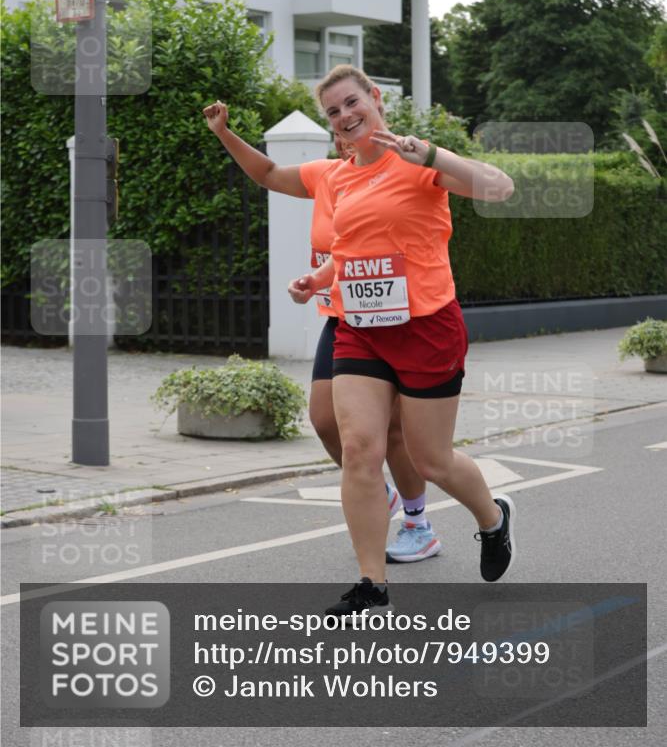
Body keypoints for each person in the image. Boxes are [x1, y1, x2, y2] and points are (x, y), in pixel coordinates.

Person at [287, 65, 517, 619]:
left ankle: (492, 518)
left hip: (427, 328)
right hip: (361, 331)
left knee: (431, 459)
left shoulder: (416, 161)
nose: (344, 117)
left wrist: (431, 155)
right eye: (334, 112)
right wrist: (317, 281)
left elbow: (501, 187)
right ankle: (372, 585)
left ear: (375, 98)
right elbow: (352, 250)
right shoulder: (340, 177)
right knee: (360, 450)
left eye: (350, 103)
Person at [202, 100, 442, 562]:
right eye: (336, 122)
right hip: (344, 317)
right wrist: (223, 134)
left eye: (350, 118)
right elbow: (269, 172)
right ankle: (379, 492)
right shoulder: (327, 175)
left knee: (393, 434)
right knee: (324, 419)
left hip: (399, 318)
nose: (343, 129)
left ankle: (418, 524)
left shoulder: (398, 171)